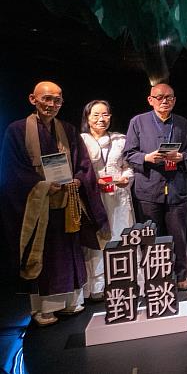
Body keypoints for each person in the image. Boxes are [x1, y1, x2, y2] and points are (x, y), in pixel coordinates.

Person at [0, 81, 107, 326]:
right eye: (46, 99)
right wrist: (43, 186)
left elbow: (83, 166)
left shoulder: (68, 130)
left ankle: (71, 302)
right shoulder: (17, 131)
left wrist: (79, 181)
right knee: (46, 256)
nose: (52, 104)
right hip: (38, 208)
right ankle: (44, 309)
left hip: (67, 203)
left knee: (70, 253)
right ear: (32, 99)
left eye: (57, 100)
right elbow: (13, 171)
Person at [123, 83, 187, 290]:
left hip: (176, 187)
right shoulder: (138, 122)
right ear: (150, 100)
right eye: (160, 97)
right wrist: (147, 157)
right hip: (149, 186)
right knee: (150, 236)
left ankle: (181, 276)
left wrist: (182, 156)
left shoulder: (182, 123)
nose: (165, 101)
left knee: (178, 235)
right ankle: (153, 278)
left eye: (170, 98)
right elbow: (129, 153)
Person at [80, 100, 136, 301]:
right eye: (95, 115)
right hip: (93, 197)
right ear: (87, 118)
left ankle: (123, 280)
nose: (101, 119)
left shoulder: (121, 139)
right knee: (97, 240)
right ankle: (97, 285)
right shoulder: (81, 141)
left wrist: (126, 178)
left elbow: (128, 165)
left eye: (105, 114)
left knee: (121, 235)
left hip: (119, 197)